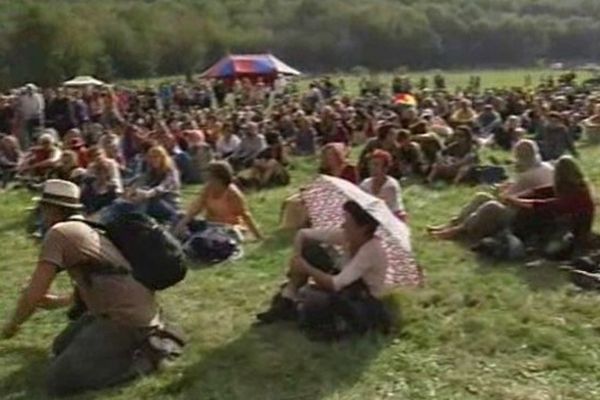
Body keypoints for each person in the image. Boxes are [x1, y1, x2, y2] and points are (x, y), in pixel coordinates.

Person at [1, 179, 181, 396]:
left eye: (43, 209)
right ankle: (144, 336)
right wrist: (57, 302)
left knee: (59, 379)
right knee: (60, 347)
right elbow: (100, 279)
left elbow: (33, 294)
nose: (41, 215)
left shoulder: (59, 233)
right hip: (127, 310)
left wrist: (12, 326)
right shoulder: (88, 226)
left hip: (125, 319)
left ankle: (147, 357)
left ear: (53, 210)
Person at [256, 200, 387, 324]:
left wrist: (305, 267)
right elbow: (303, 234)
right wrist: (296, 258)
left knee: (317, 303)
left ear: (363, 229)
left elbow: (336, 284)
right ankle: (288, 298)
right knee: (310, 248)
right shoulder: (347, 236)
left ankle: (294, 305)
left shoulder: (371, 250)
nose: (343, 225)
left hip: (360, 299)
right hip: (345, 285)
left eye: (348, 222)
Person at [430, 156, 594, 251]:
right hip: (534, 217)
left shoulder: (578, 196)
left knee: (491, 207)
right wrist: (516, 196)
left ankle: (458, 231)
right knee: (482, 196)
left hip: (542, 226)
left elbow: (545, 205)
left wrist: (514, 200)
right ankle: (452, 224)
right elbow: (540, 192)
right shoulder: (567, 187)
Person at [175, 161, 263, 240]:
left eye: (210, 176)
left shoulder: (233, 193)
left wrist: (258, 236)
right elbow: (196, 209)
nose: (207, 178)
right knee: (180, 216)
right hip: (211, 225)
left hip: (229, 228)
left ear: (219, 178)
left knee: (211, 236)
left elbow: (245, 216)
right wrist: (182, 223)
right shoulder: (207, 189)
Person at [360, 150, 406, 220]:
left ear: (385, 168)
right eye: (371, 164)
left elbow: (394, 211)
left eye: (376, 165)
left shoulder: (390, 186)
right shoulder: (365, 184)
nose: (372, 168)